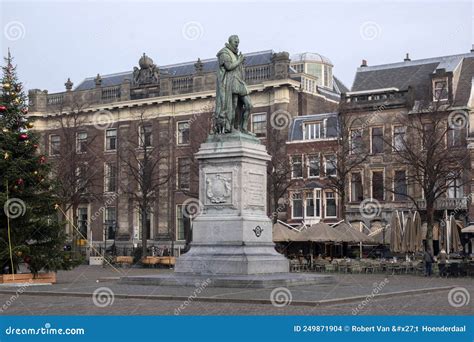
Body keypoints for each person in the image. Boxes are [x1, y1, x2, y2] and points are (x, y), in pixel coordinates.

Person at [214, 35, 253, 134]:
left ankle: (243, 128)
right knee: (233, 105)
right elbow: (228, 66)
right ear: (230, 41)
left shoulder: (235, 54)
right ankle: (230, 127)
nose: (237, 44)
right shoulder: (224, 52)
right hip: (230, 83)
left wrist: (239, 60)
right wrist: (239, 60)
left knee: (249, 105)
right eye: (236, 42)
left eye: (238, 42)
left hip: (239, 82)